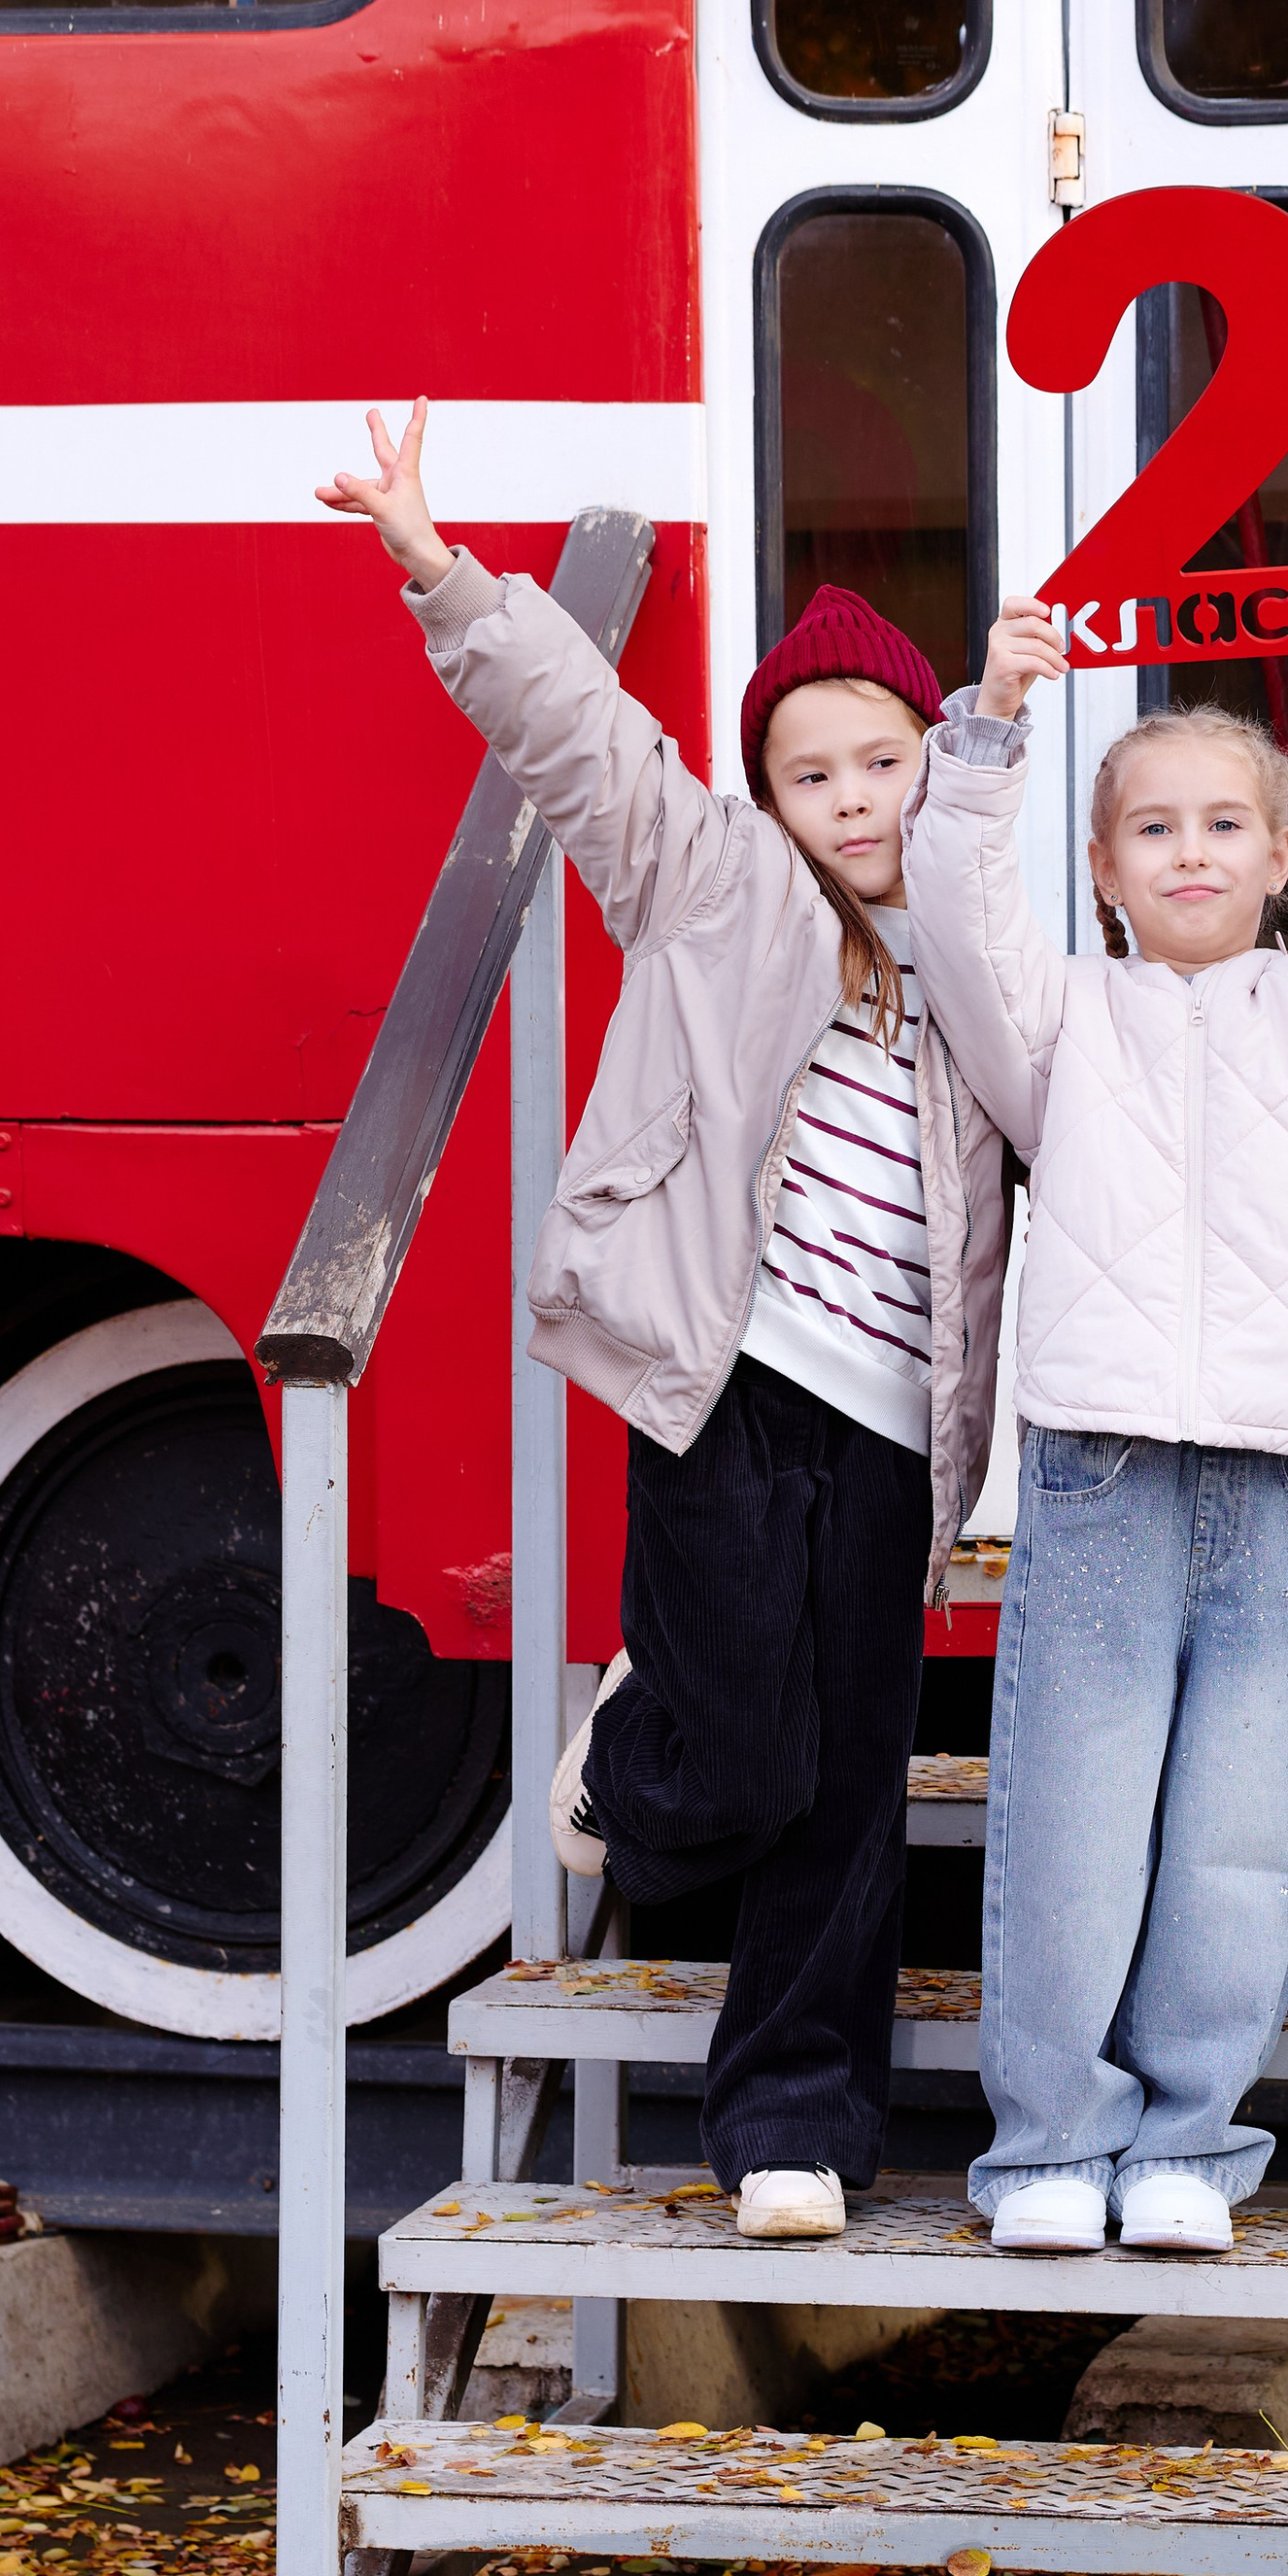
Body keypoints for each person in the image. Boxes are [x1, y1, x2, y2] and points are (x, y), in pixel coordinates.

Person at [315, 403, 1009, 2245]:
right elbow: (581, 740)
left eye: (887, 762)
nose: (858, 801)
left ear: (942, 766)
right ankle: (640, 1753)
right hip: (724, 1381)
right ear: (768, 798)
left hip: (895, 1419)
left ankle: (796, 2127)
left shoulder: (999, 948)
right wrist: (436, 565)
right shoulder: (717, 890)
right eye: (816, 774)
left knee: (853, 1782)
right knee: (751, 1760)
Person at [901, 588, 1288, 2256]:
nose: (1189, 852)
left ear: (1283, 853)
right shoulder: (1061, 1023)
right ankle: (1045, 2148)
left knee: (1242, 1820)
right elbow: (956, 915)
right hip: (1100, 1450)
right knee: (1075, 1804)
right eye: (1152, 828)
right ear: (1102, 871)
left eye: (1225, 825)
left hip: (1278, 1455)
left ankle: (1185, 2145)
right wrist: (990, 737)